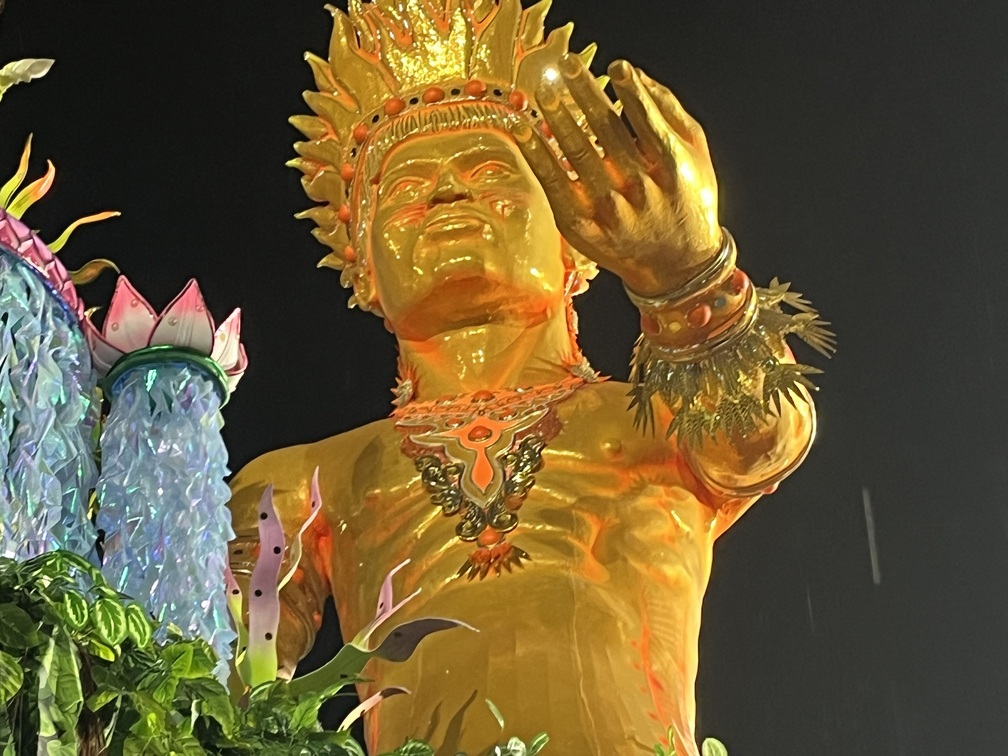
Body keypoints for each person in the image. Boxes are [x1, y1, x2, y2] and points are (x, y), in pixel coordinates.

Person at [228, 2, 832, 753]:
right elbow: (232, 674)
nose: (447, 195)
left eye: (489, 174)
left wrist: (688, 278)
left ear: (576, 239)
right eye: (408, 188)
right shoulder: (312, 479)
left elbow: (763, 436)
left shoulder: (657, 419)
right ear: (363, 268)